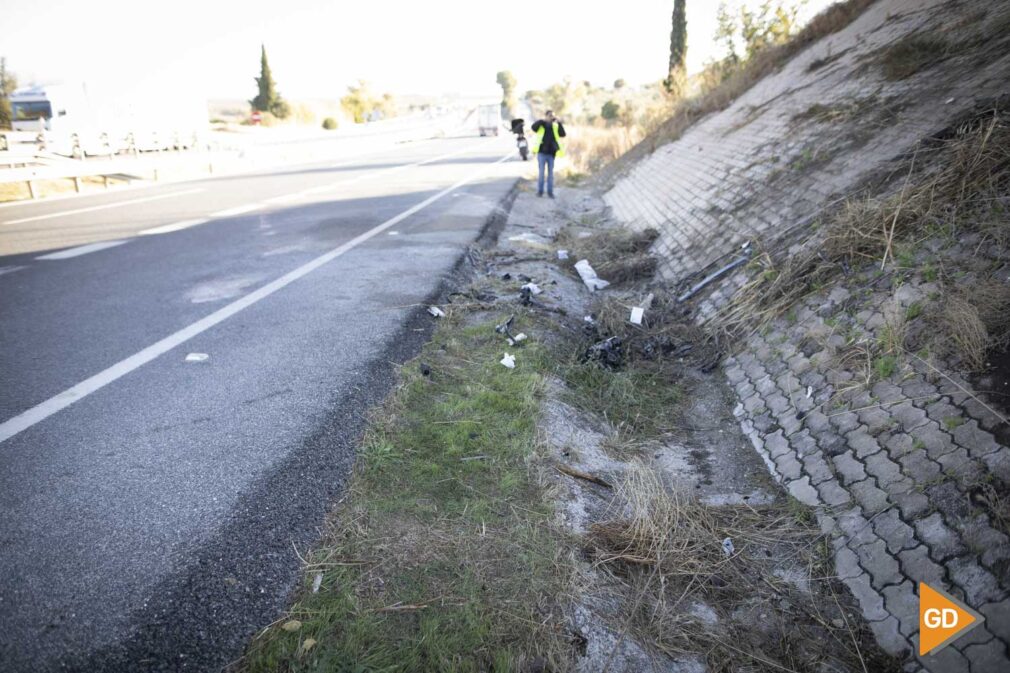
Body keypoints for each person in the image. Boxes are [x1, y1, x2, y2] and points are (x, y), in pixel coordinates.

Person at [531, 110, 566, 198]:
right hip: (542, 153)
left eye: (553, 116)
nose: (551, 117)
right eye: (550, 115)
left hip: (551, 154)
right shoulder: (541, 125)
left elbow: (563, 134)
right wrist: (542, 121)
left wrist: (559, 122)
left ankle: (550, 192)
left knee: (550, 175)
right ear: (546, 116)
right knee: (541, 174)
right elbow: (533, 127)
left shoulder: (555, 126)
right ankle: (540, 192)